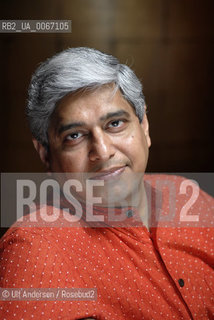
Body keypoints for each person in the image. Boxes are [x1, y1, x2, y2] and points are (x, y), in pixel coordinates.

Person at [0, 47, 213, 319]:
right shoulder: (35, 250)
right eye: (74, 135)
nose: (101, 151)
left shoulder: (189, 195)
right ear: (46, 154)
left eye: (115, 123)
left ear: (144, 126)